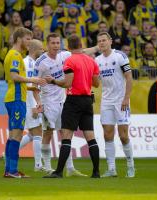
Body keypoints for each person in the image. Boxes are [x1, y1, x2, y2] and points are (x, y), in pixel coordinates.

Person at [43, 34, 100, 178]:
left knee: (66, 136)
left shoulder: (69, 61)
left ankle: (59, 172)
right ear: (81, 45)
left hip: (73, 101)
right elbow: (97, 83)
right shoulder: (91, 61)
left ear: (68, 46)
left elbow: (67, 83)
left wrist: (53, 81)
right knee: (90, 137)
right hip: (88, 101)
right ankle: (96, 172)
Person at [33, 33, 87, 177]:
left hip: (62, 101)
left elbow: (81, 52)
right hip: (48, 102)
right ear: (47, 44)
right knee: (48, 133)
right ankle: (47, 166)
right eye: (53, 43)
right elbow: (34, 85)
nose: (56, 46)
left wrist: (99, 47)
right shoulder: (41, 62)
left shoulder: (64, 55)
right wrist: (38, 102)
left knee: (65, 133)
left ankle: (70, 168)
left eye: (58, 43)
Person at [3, 27, 46, 178]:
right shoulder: (15, 55)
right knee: (17, 135)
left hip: (14, 96)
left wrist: (30, 86)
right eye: (28, 39)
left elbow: (13, 80)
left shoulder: (13, 54)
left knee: (12, 135)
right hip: (16, 98)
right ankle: (12, 170)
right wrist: (32, 79)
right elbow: (14, 77)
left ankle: (9, 170)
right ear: (19, 39)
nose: (29, 42)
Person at [95, 32, 135, 178]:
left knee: (124, 136)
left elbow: (129, 78)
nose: (102, 43)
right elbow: (96, 82)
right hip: (106, 101)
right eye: (99, 41)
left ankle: (130, 165)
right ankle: (112, 169)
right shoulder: (97, 60)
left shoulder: (120, 56)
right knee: (107, 134)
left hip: (120, 101)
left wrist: (126, 98)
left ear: (110, 41)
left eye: (104, 40)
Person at [19, 39, 45, 172]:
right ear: (35, 49)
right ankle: (38, 164)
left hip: (32, 101)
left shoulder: (33, 62)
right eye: (41, 48)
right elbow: (28, 85)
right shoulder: (27, 63)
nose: (43, 50)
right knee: (37, 133)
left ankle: (8, 153)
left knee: (32, 133)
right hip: (30, 102)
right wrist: (34, 105)